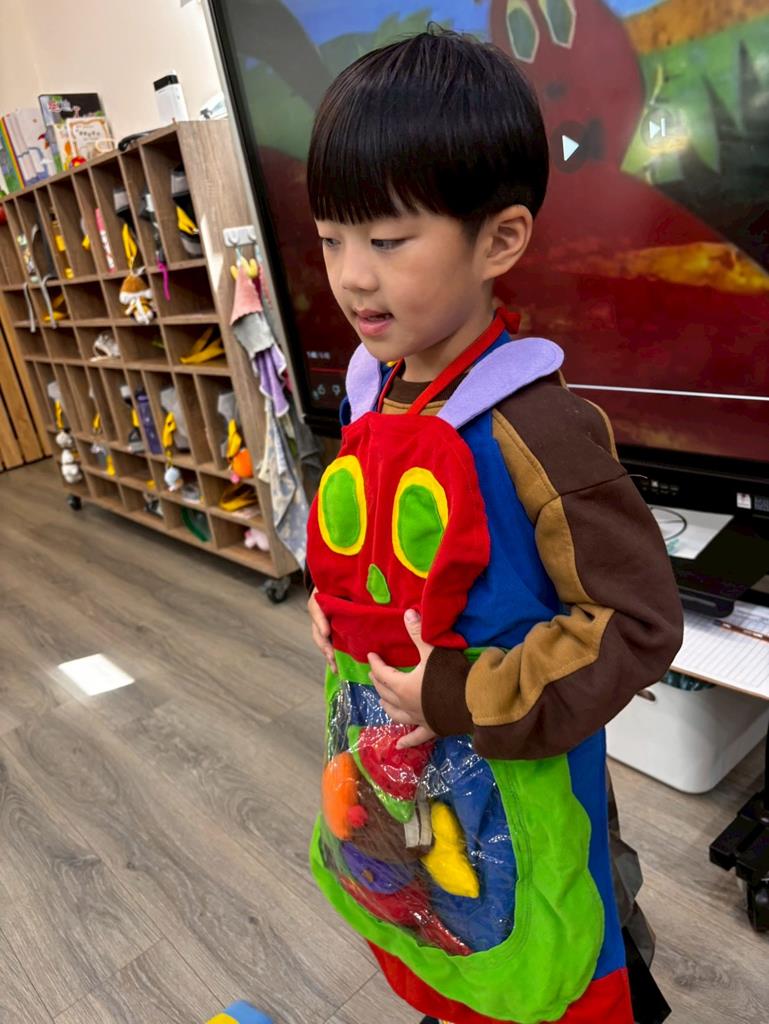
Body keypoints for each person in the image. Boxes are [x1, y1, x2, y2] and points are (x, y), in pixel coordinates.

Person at [304, 28, 682, 1024]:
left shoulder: (538, 430)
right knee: (446, 938)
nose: (351, 275)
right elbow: (376, 548)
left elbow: (637, 623)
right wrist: (334, 607)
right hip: (402, 779)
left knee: (569, 952)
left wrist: (464, 692)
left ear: (500, 240)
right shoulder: (370, 389)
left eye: (386, 241)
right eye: (332, 238)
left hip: (522, 776)